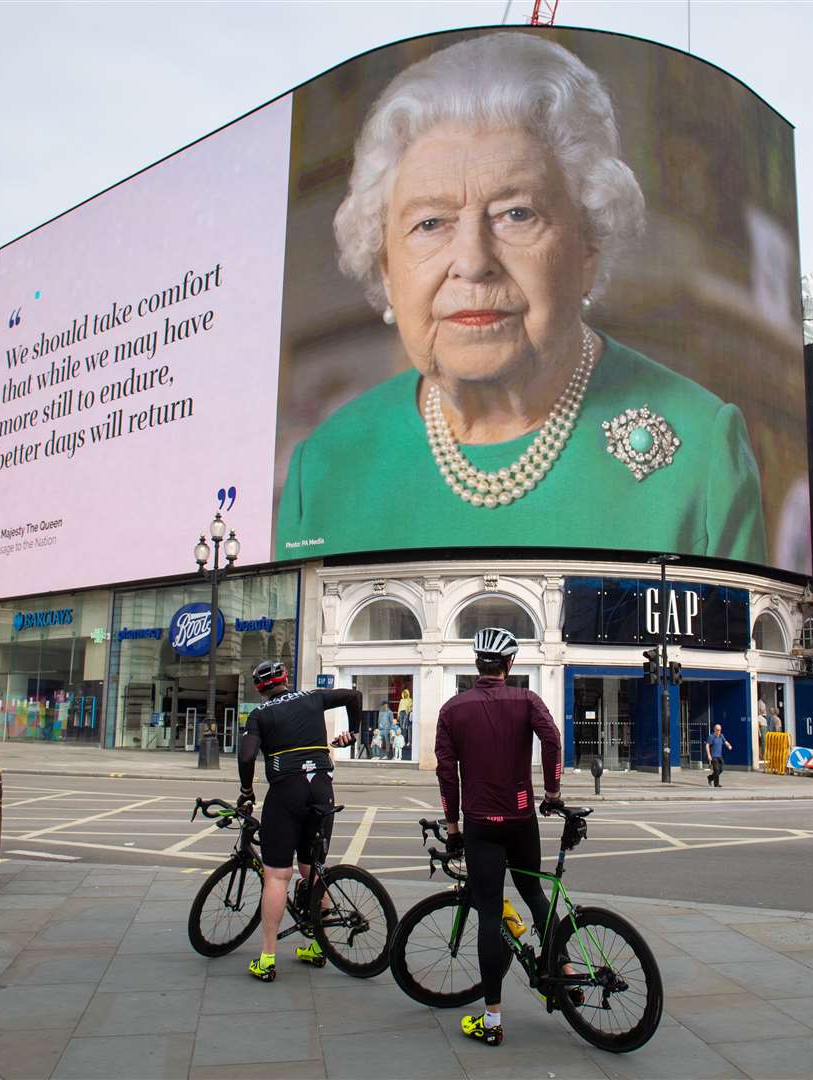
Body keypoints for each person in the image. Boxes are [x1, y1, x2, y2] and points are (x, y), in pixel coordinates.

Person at [274, 32, 767, 566]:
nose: (472, 260)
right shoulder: (321, 471)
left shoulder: (701, 452)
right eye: (430, 222)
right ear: (387, 270)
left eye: (516, 213)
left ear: (587, 247)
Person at [435, 627, 562, 1048]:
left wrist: (451, 825)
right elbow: (552, 740)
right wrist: (552, 792)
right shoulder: (527, 700)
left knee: (490, 913)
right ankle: (561, 968)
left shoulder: (453, 709)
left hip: (480, 824)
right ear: (510, 665)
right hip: (522, 815)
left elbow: (446, 772)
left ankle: (491, 1020)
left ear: (476, 663)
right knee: (534, 893)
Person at [237, 660, 360, 983]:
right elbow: (353, 696)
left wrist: (246, 790)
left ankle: (266, 958)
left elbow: (247, 756)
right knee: (312, 869)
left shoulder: (260, 715)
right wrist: (355, 731)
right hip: (321, 789)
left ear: (258, 688)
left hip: (286, 792)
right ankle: (319, 947)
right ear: (286, 679)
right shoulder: (313, 697)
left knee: (277, 875)